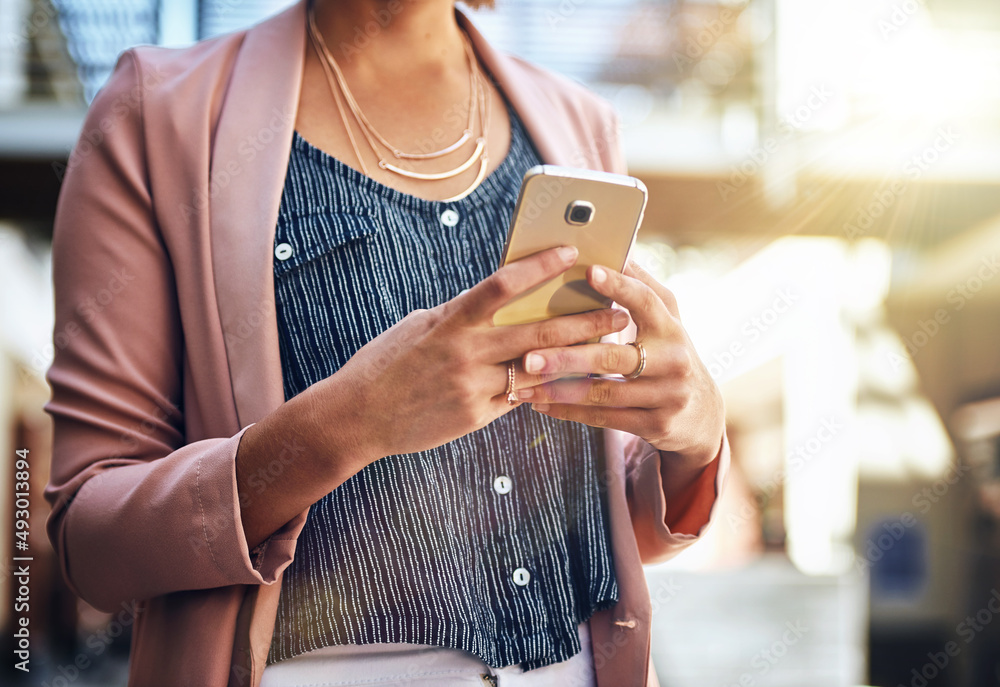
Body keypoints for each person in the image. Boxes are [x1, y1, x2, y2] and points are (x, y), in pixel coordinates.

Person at [43, 0, 730, 685]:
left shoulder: (579, 122)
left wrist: (693, 436)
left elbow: (599, 529)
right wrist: (346, 424)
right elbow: (91, 541)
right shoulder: (158, 113)